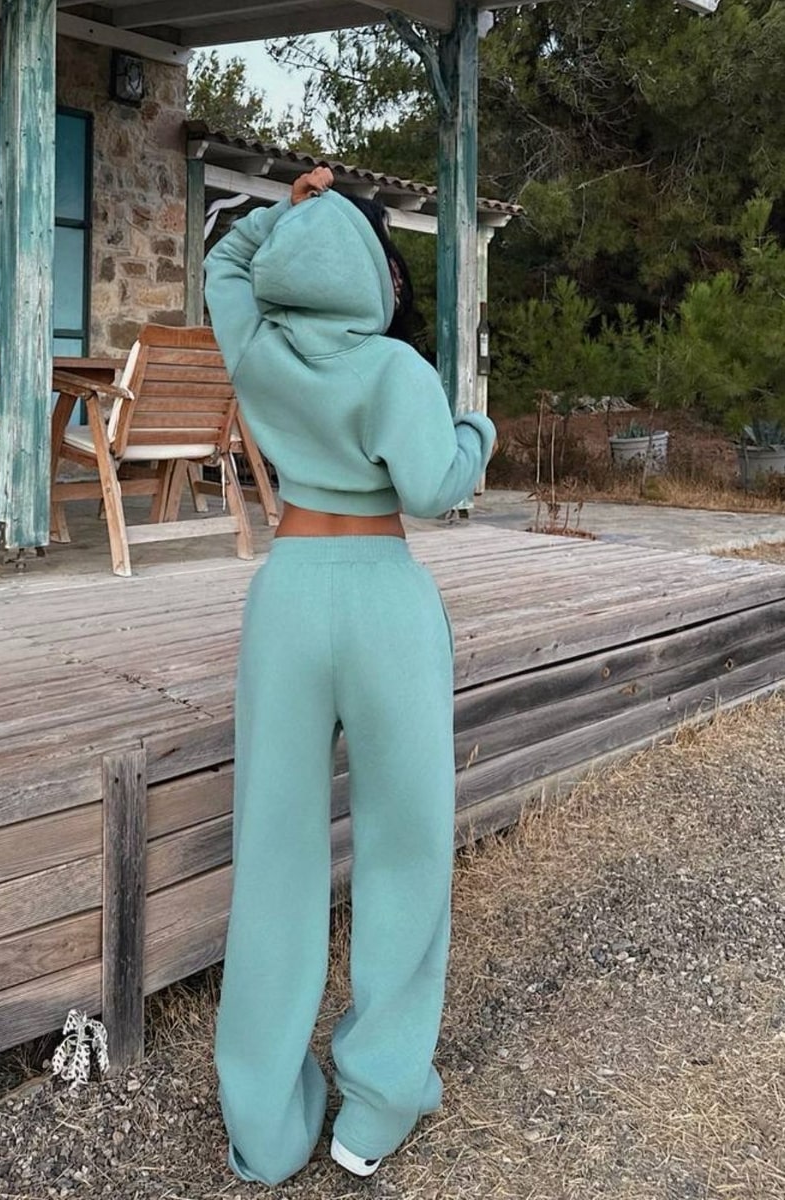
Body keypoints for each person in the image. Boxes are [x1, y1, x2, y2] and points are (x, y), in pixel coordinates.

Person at [204, 165, 497, 1186]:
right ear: (378, 274)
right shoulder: (395, 369)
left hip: (287, 594)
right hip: (383, 600)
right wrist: (476, 432)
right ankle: (373, 1107)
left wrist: (288, 214)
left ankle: (268, 1129)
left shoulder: (258, 349)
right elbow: (434, 486)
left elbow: (224, 260)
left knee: (272, 855)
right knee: (405, 851)